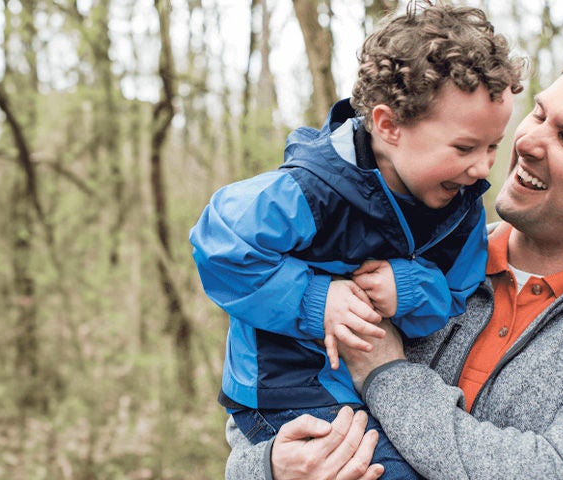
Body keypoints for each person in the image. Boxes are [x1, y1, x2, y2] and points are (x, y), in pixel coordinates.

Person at [226, 40, 563, 479]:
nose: (528, 141)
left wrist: (387, 374)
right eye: (541, 114)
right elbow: (265, 412)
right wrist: (271, 469)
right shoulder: (421, 252)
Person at [189, 3, 523, 478]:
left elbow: (454, 294)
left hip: (371, 388)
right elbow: (219, 244)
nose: (483, 167)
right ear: (389, 126)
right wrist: (314, 298)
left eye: (493, 146)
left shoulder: (462, 207)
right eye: (465, 148)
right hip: (286, 387)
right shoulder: (314, 186)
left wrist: (406, 288)